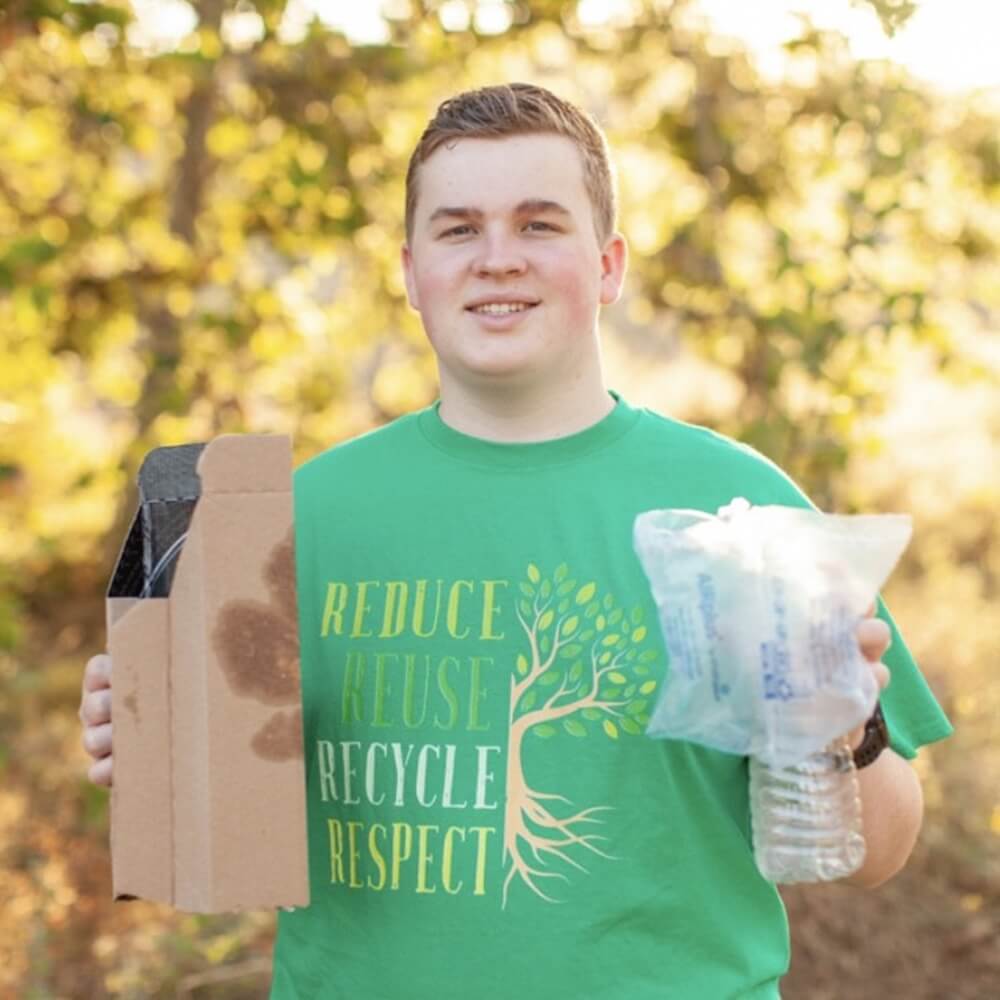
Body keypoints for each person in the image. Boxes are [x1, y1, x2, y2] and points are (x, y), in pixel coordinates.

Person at [80, 83, 952, 998]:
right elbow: (208, 840)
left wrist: (845, 731)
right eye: (459, 230)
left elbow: (880, 854)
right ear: (412, 272)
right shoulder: (284, 522)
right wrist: (146, 743)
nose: (498, 260)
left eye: (540, 226)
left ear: (609, 265)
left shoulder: (740, 510)